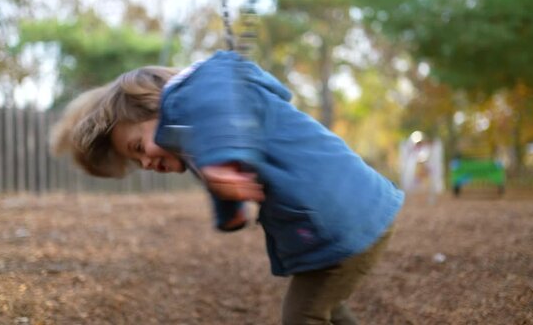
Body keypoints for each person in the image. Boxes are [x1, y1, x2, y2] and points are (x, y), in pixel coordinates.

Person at [50, 50, 404, 324]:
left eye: (139, 148)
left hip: (345, 217)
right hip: (345, 219)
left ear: (156, 104)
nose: (145, 164)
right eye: (136, 162)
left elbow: (217, 114)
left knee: (302, 316)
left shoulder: (202, 89)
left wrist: (219, 162)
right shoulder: (200, 137)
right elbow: (217, 166)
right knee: (329, 306)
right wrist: (229, 210)